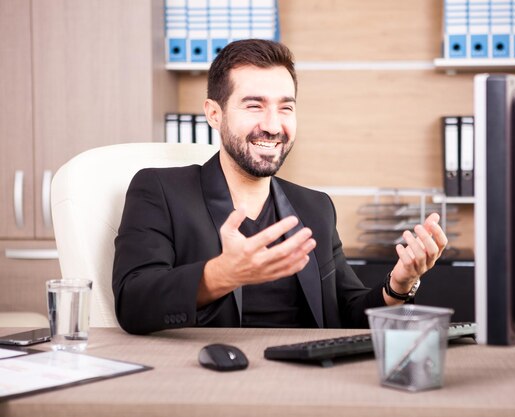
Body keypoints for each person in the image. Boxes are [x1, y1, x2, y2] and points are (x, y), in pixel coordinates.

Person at [112, 39, 448, 335]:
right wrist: (221, 275)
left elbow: (346, 313)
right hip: (212, 382)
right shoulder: (160, 189)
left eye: (285, 107)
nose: (273, 126)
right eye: (254, 105)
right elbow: (133, 302)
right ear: (214, 114)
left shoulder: (315, 207)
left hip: (311, 382)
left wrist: (398, 285)